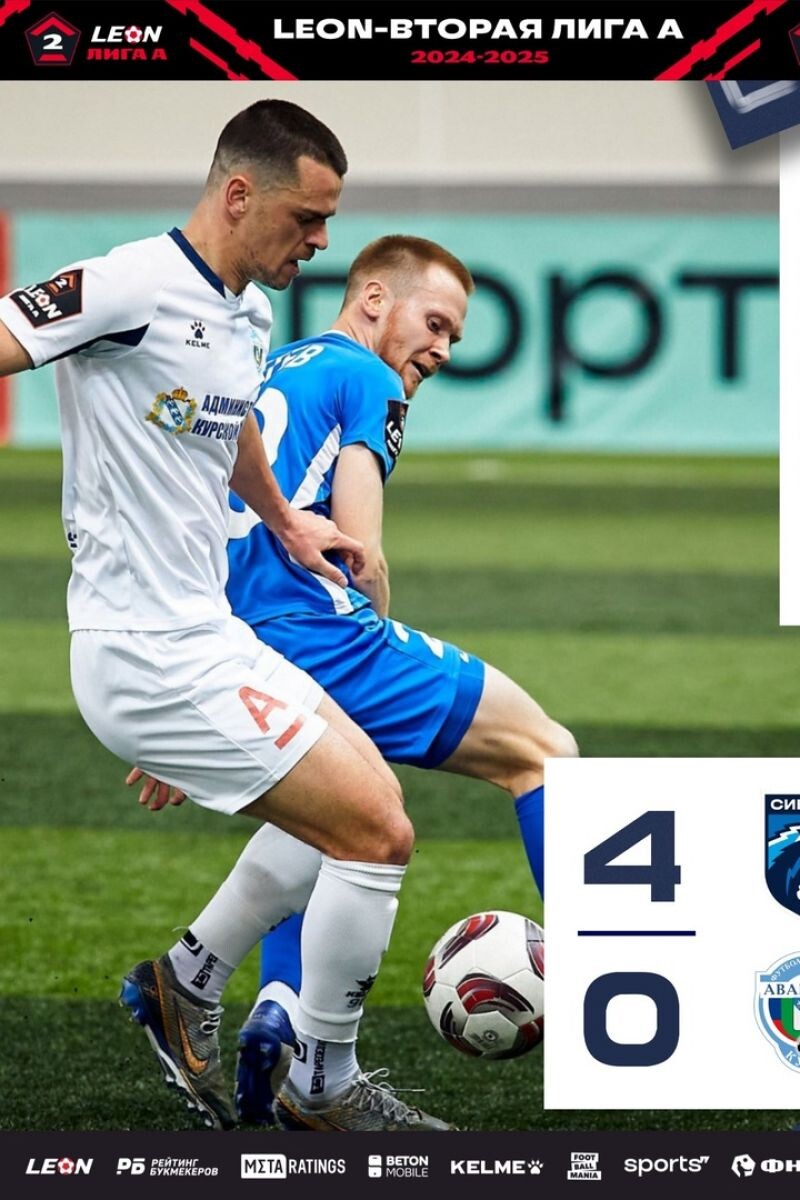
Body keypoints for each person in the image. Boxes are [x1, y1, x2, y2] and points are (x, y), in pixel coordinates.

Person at [0, 100, 453, 1133]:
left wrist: (287, 521)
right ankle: (324, 1087)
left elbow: (232, 423)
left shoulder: (247, 313)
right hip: (141, 650)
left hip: (205, 636)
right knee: (378, 832)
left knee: (362, 794)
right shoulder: (126, 285)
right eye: (308, 217)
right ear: (239, 194)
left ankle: (185, 980)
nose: (322, 241)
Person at [139, 234, 578, 1124]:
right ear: (374, 298)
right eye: (436, 323)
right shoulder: (369, 378)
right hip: (318, 632)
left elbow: (201, 520)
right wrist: (373, 612)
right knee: (542, 751)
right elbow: (359, 546)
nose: (442, 350)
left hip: (233, 635)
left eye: (454, 338)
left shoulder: (276, 364)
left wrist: (194, 681)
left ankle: (210, 981)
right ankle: (611, 956)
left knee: (335, 807)